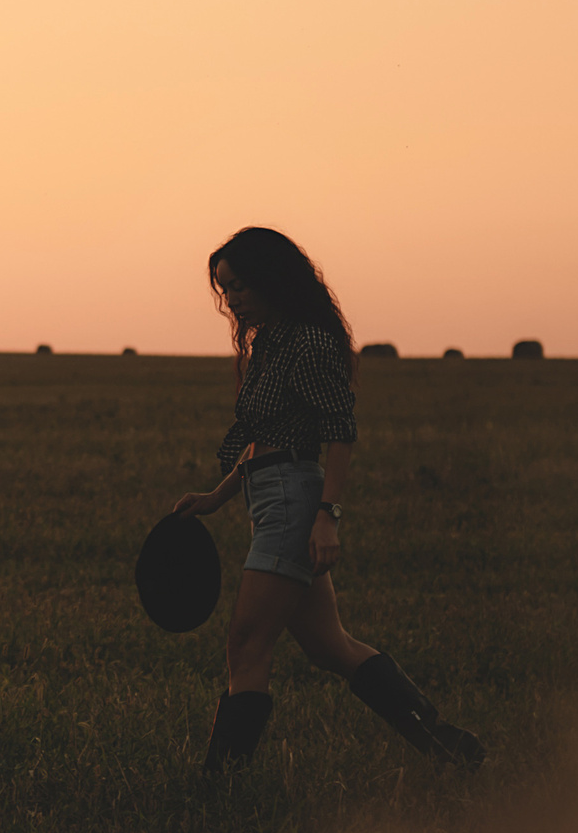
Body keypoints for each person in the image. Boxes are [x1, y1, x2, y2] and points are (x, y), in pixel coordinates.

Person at [171, 227, 483, 773]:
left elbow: (338, 431)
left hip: (295, 502)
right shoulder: (271, 341)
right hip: (272, 496)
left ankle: (218, 789)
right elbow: (266, 439)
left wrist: (326, 517)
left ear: (272, 278)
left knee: (246, 646)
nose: (232, 300)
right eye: (225, 290)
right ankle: (444, 745)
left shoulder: (310, 342)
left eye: (240, 285)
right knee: (330, 647)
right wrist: (218, 496)